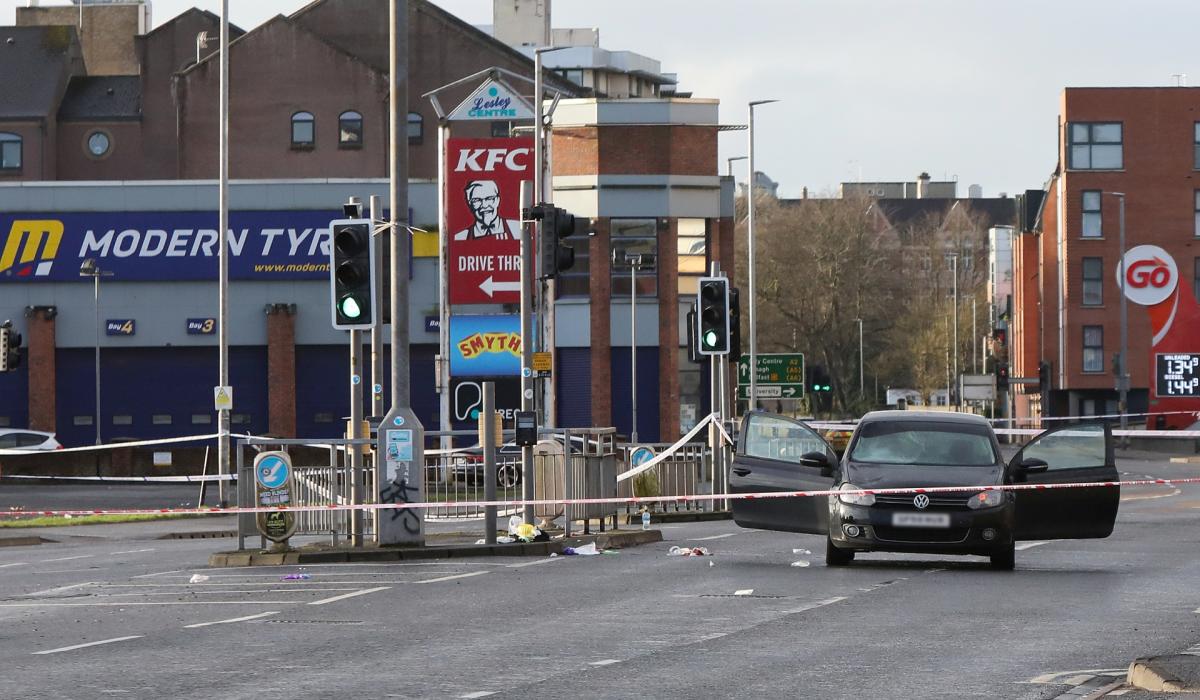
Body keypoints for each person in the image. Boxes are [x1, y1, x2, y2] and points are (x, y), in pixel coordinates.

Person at [453, 180, 522, 241]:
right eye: (477, 200)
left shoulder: (517, 228)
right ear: (470, 203)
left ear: (497, 200)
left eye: (489, 198)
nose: (484, 205)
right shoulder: (461, 237)